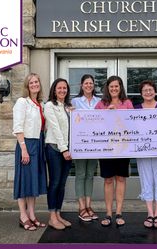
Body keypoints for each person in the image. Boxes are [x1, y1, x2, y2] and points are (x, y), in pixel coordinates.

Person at [95, 76, 134, 227]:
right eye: (111, 86)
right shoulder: (101, 104)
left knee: (121, 179)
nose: (114, 89)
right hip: (106, 148)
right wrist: (107, 113)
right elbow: (93, 124)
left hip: (123, 147)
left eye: (116, 86)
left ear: (120, 87)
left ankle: (119, 212)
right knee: (108, 179)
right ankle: (108, 213)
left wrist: (118, 114)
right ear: (107, 88)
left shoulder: (127, 103)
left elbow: (132, 124)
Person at [134, 80, 157, 229]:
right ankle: (150, 214)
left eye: (150, 90)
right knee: (146, 181)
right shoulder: (136, 109)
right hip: (142, 151)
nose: (148, 92)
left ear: (154, 91)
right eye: (145, 90)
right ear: (141, 93)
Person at [13, 73, 47, 231]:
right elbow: (18, 127)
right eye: (31, 82)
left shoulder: (40, 104)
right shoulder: (22, 102)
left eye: (36, 81)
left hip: (38, 143)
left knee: (33, 181)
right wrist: (24, 150)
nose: (34, 84)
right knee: (24, 181)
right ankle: (23, 216)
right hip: (26, 144)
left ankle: (32, 215)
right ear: (27, 86)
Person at [71, 74, 101, 222]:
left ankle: (89, 206)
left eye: (91, 83)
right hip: (80, 144)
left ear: (94, 85)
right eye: (86, 83)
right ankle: (81, 207)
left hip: (95, 144)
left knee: (90, 174)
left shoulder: (100, 101)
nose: (89, 85)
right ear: (81, 85)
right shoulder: (75, 102)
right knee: (81, 174)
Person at [45, 78, 73, 230]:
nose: (62, 90)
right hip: (55, 149)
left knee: (62, 184)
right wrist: (64, 149)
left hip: (67, 150)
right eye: (59, 88)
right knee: (55, 183)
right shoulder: (49, 106)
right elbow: (55, 129)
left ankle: (58, 213)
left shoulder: (68, 107)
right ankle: (51, 217)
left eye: (65, 88)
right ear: (54, 90)